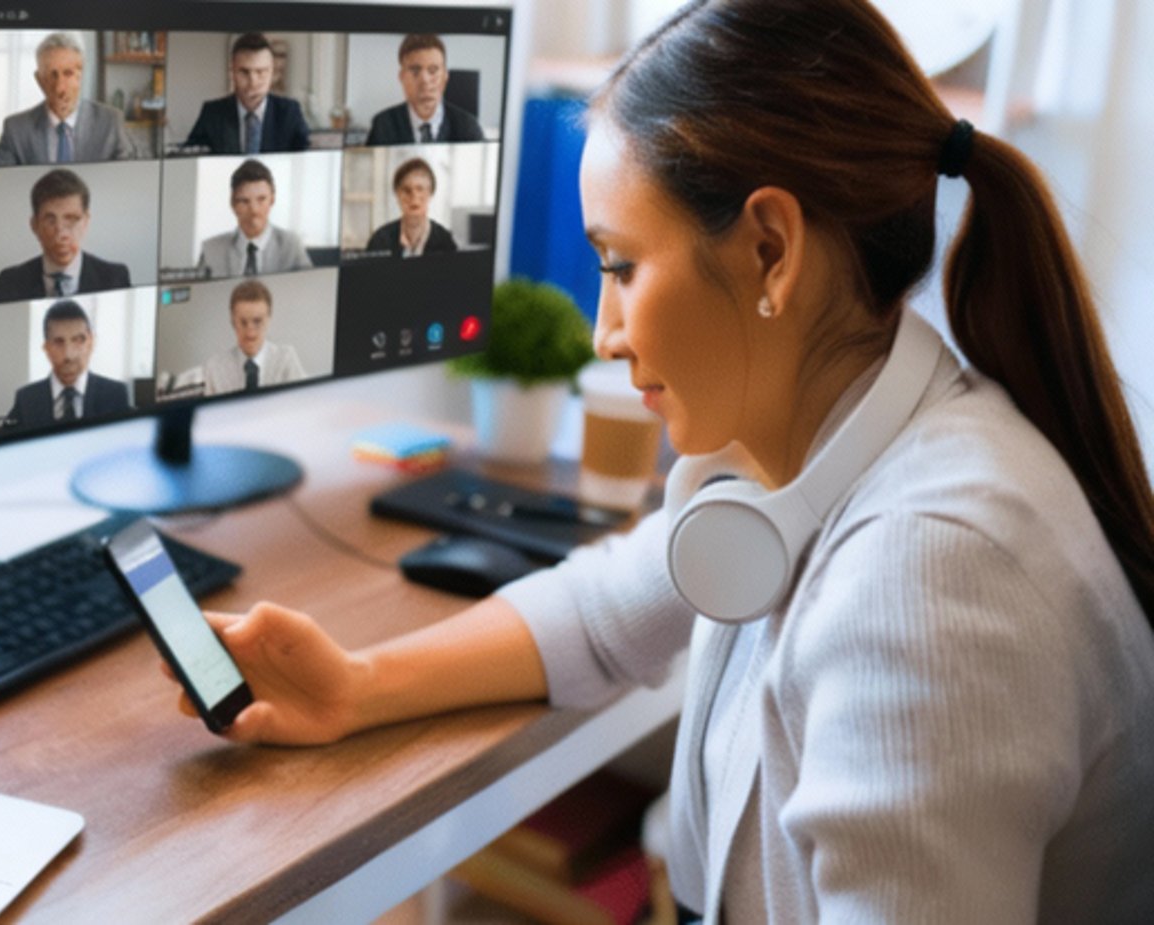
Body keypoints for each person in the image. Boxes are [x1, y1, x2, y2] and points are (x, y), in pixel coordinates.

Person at [163, 1, 1154, 922]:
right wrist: (357, 685)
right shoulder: (819, 446)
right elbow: (600, 612)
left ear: (771, 249)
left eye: (621, 266)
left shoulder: (930, 578)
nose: (604, 332)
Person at [0, 32, 138, 166]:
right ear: (39, 80)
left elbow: (130, 180)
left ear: (81, 76)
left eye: (68, 73)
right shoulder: (16, 129)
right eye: (51, 75)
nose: (60, 88)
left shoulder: (110, 123)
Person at [0, 168, 131, 303]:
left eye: (71, 220)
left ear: (86, 222)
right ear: (34, 226)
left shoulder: (115, 278)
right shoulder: (9, 282)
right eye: (50, 221)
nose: (61, 234)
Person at [4, 300, 131, 426]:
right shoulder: (26, 399)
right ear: (46, 348)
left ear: (91, 343)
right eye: (59, 342)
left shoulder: (116, 395)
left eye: (78, 340)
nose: (69, 355)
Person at [182, 33, 310, 155]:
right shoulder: (212, 113)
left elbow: (307, 158)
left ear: (272, 72)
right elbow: (190, 160)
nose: (253, 82)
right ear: (232, 72)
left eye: (261, 72)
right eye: (244, 72)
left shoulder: (289, 113)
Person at [197, 159, 312, 278]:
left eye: (261, 199)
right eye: (244, 201)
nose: (254, 210)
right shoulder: (211, 250)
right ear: (232, 203)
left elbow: (311, 290)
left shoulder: (292, 246)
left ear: (272, 200)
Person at [364, 34, 485, 145]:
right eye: (415, 70)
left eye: (433, 70)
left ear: (445, 77)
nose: (425, 80)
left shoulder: (467, 126)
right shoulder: (383, 125)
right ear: (401, 77)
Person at [200, 279, 305, 395]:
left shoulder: (287, 359)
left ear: (269, 319)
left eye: (257, 321)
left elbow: (302, 405)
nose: (250, 333)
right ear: (232, 321)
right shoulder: (214, 368)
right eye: (243, 322)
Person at [364, 158, 457, 257]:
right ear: (397, 195)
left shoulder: (446, 242)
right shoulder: (379, 241)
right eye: (406, 190)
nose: (414, 196)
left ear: (431, 193)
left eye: (420, 189)